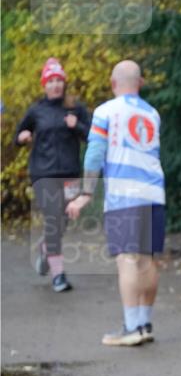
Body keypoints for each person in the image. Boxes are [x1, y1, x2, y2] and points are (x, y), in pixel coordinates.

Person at [66, 60, 165, 347]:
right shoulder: (153, 114)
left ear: (112, 83)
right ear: (140, 83)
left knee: (127, 259)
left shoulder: (106, 111)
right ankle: (144, 324)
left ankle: (131, 328)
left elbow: (95, 153)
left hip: (124, 195)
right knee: (147, 259)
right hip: (154, 192)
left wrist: (86, 193)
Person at [14, 58, 91, 292]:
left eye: (59, 80)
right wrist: (22, 137)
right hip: (43, 173)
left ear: (64, 83)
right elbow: (19, 134)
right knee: (52, 218)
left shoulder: (76, 108)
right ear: (44, 85)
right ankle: (58, 275)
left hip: (70, 173)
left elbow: (92, 136)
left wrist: (77, 125)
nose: (55, 85)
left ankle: (46, 248)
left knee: (64, 219)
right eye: (51, 81)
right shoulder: (36, 110)